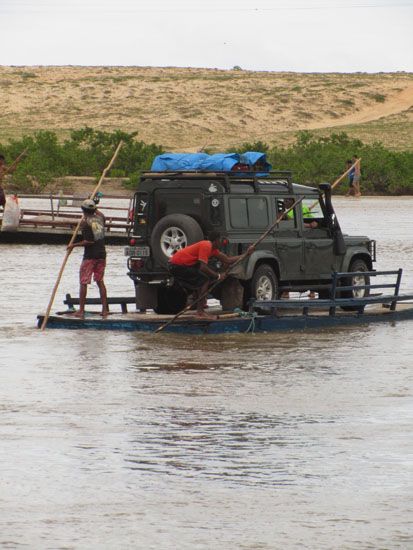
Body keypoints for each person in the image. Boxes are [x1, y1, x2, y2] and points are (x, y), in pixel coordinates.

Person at [168, 230, 254, 319]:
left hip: (181, 266)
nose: (222, 242)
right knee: (204, 280)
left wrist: (246, 254)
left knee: (202, 280)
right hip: (176, 266)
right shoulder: (206, 245)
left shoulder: (214, 250)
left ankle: (200, 309)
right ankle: (200, 312)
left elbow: (228, 260)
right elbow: (203, 267)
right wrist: (218, 276)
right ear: (216, 240)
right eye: (221, 240)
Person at [67, 199, 109, 318]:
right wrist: (94, 205)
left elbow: (89, 241)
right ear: (94, 210)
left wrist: (73, 245)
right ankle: (104, 310)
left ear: (83, 210)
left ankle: (81, 310)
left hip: (90, 256)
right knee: (100, 281)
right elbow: (100, 213)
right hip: (102, 254)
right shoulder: (100, 219)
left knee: (83, 282)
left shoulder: (85, 223)